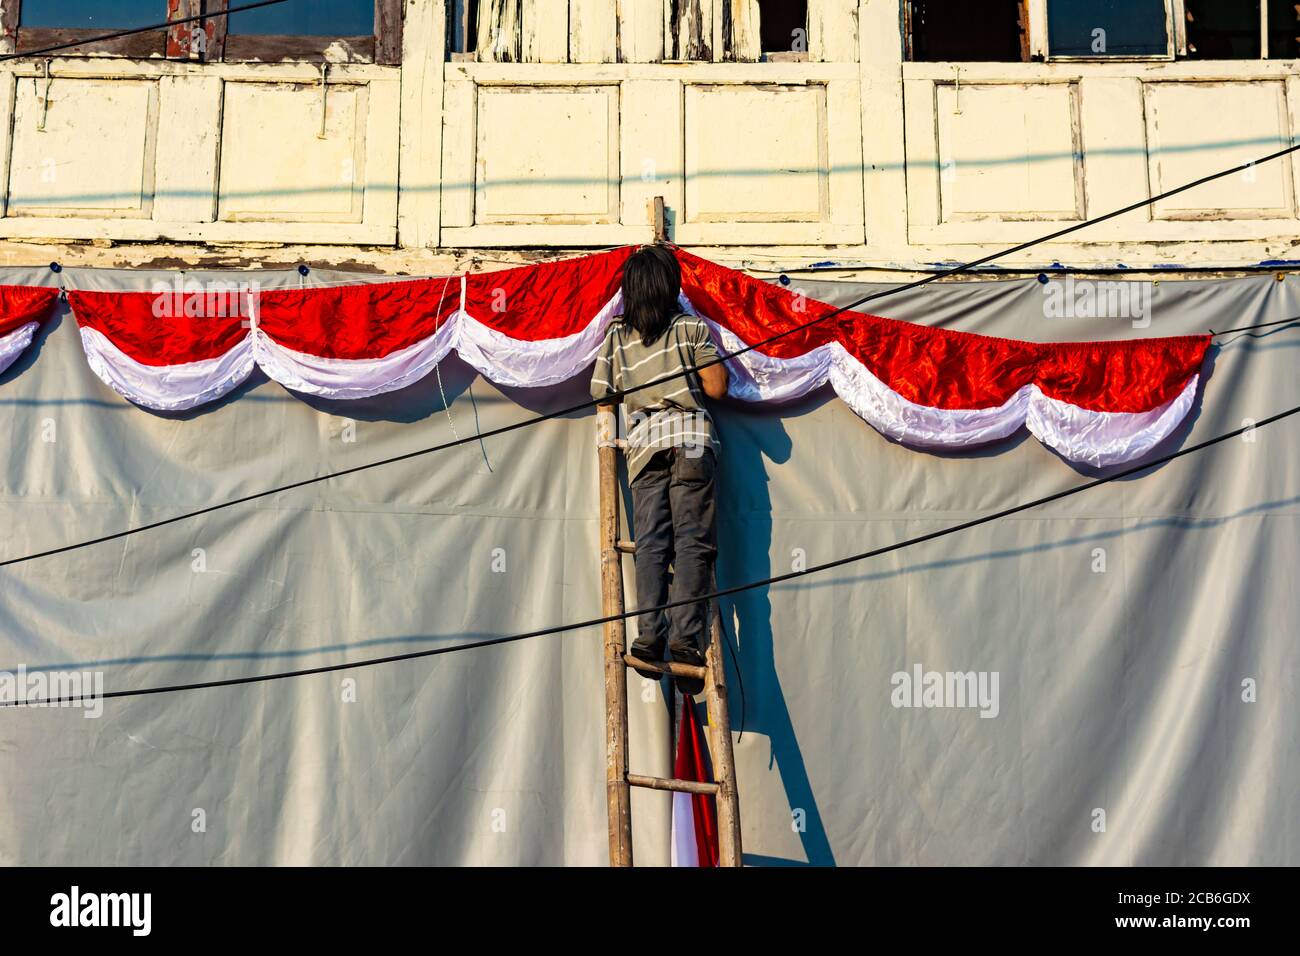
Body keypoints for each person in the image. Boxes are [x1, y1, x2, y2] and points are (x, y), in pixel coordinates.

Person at [590, 245, 729, 696]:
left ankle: (649, 636)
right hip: (691, 440)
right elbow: (717, 388)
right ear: (671, 288)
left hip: (644, 448)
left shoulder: (616, 335)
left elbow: (603, 397)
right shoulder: (690, 327)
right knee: (693, 543)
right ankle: (685, 643)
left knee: (650, 543)